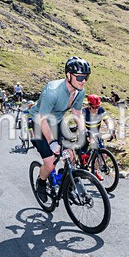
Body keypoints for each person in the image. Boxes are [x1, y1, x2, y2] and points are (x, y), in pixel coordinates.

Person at [30, 57, 90, 201]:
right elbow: (42, 119)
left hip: (57, 122)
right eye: (80, 77)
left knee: (70, 155)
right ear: (68, 75)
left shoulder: (79, 91)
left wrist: (84, 132)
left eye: (86, 77)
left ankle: (66, 182)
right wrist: (51, 142)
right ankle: (42, 182)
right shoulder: (53, 91)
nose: (83, 81)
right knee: (50, 163)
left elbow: (77, 113)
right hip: (40, 122)